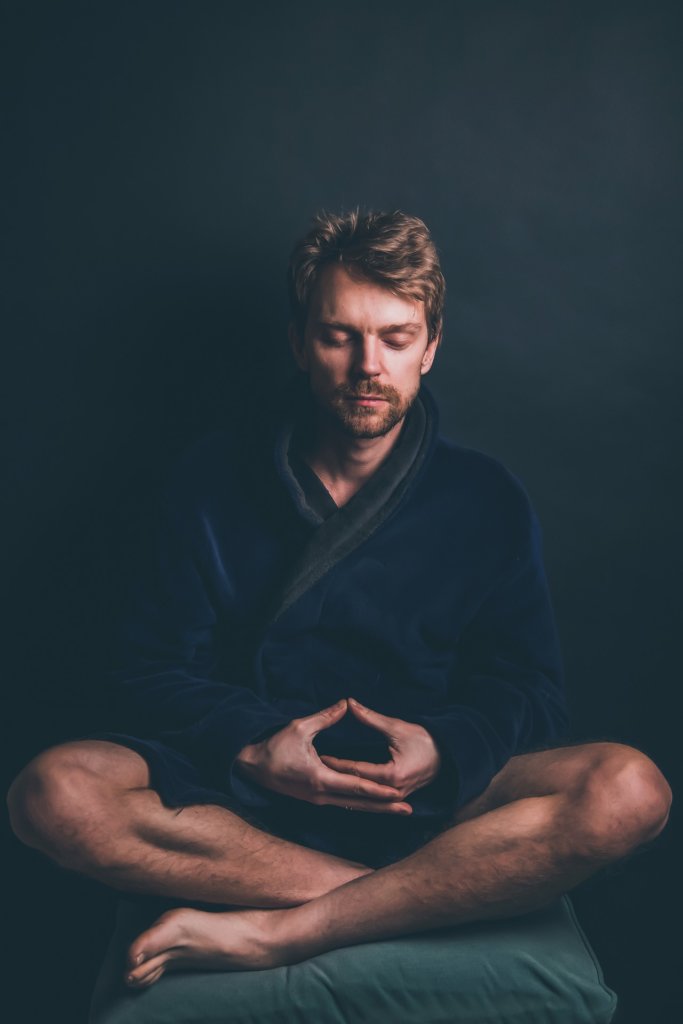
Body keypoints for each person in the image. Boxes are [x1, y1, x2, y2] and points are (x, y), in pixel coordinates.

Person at [8, 210, 671, 989]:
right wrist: (257, 745)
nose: (368, 366)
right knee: (51, 793)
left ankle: (289, 930)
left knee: (630, 789)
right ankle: (419, 899)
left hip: (420, 801)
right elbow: (145, 669)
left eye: (394, 337)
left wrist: (443, 750)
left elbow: (528, 691)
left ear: (430, 347)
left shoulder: (485, 498)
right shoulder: (207, 480)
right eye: (339, 335)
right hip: (246, 798)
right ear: (298, 343)